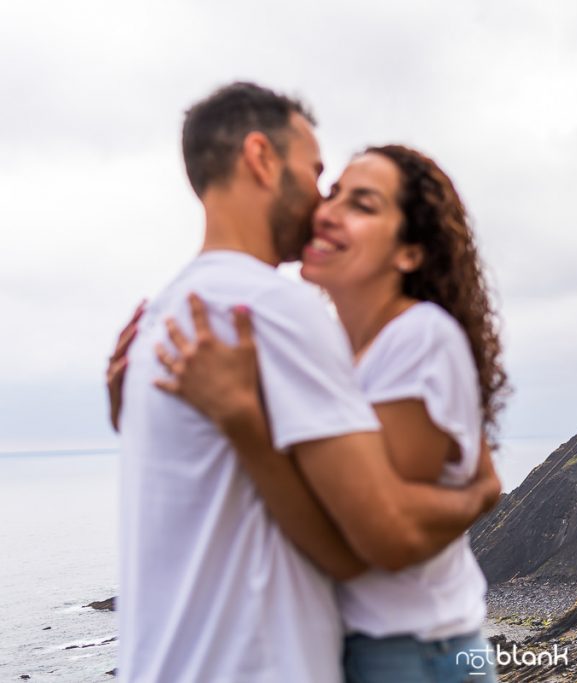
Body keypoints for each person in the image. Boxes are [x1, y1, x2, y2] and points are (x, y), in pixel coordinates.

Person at [109, 82, 500, 682]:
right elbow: (368, 542)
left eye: (356, 201)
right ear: (263, 159)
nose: (323, 203)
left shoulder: (170, 315)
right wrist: (476, 494)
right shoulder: (271, 311)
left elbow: (372, 532)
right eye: (320, 175)